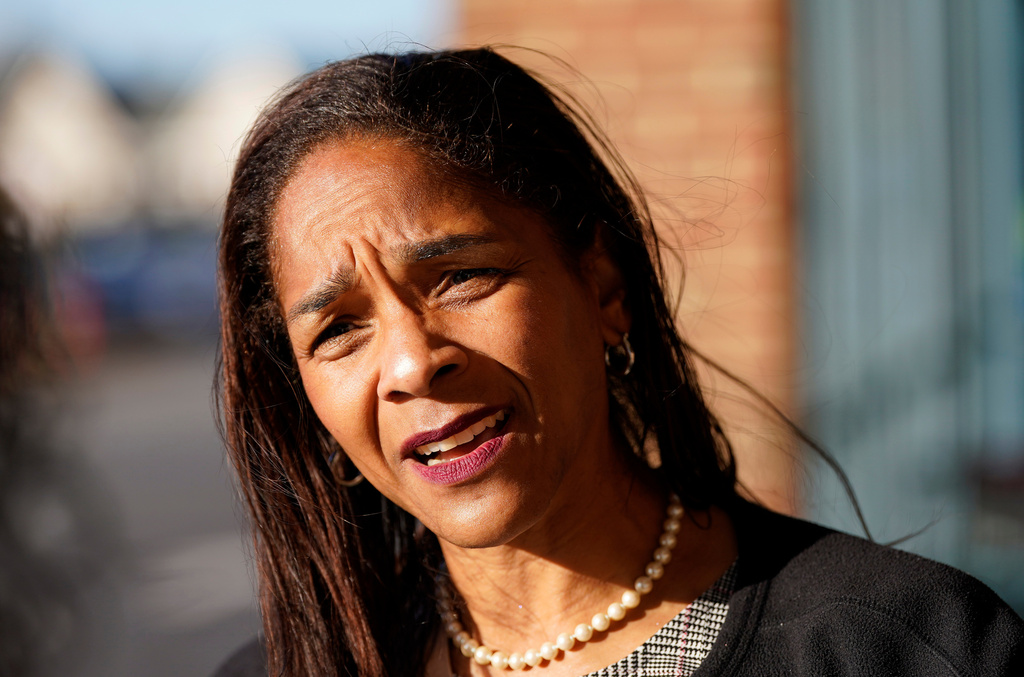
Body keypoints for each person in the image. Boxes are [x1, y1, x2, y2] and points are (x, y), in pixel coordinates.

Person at [214, 48, 1023, 677]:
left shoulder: (905, 645)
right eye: (340, 331)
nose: (412, 363)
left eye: (461, 276)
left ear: (602, 288)